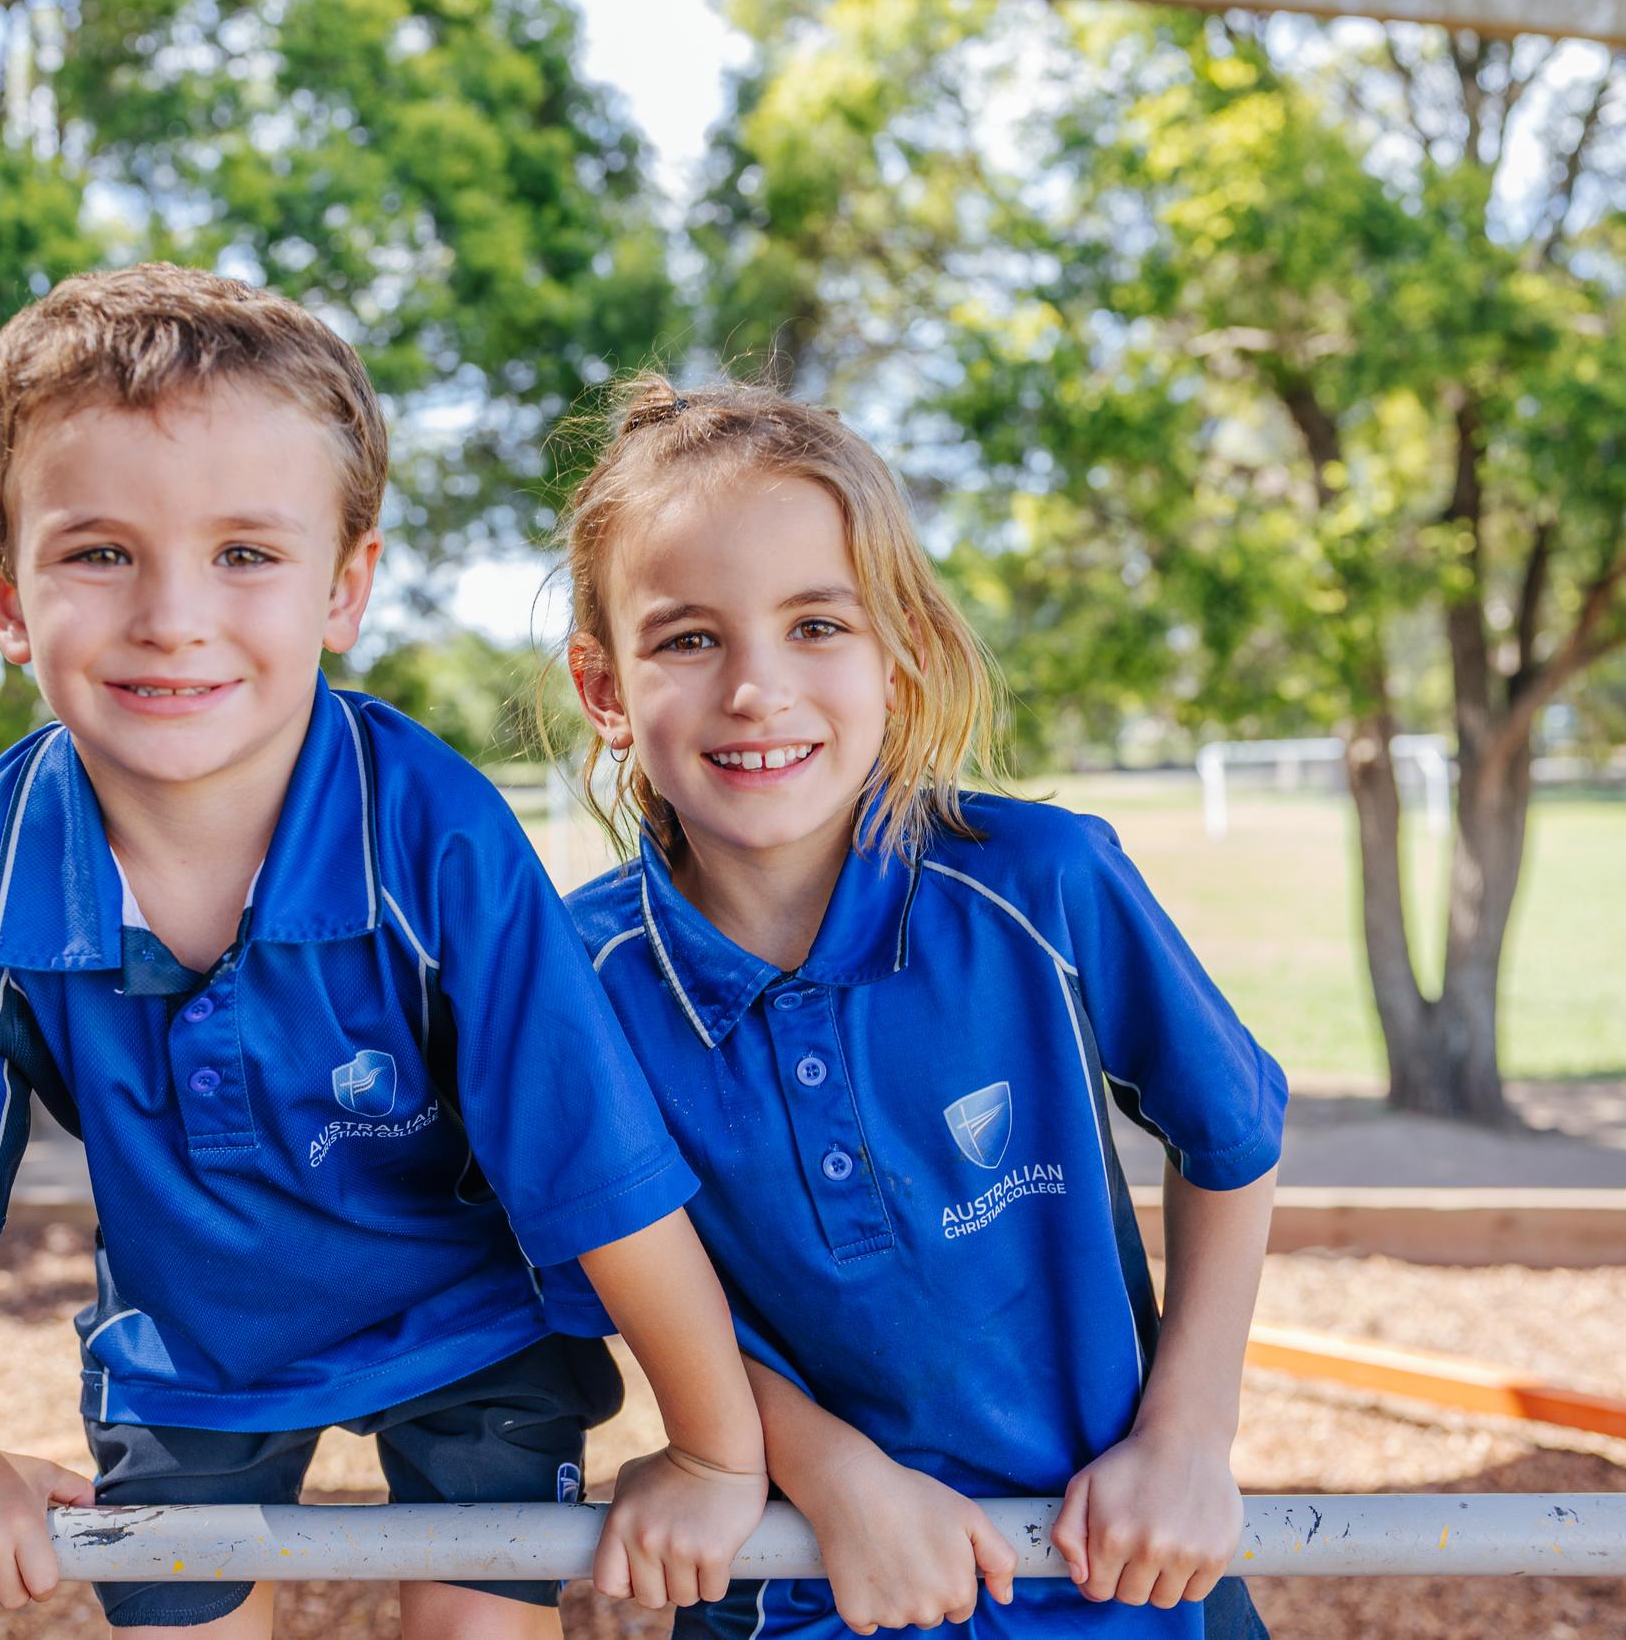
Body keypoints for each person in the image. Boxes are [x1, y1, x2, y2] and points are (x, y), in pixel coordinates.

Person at [0, 270, 768, 1638]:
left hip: (472, 1317)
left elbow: (598, 1168)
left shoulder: (430, 831)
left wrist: (714, 1446)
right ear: (4, 591)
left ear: (345, 585)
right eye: (100, 552)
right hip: (192, 1340)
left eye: (245, 552)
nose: (173, 613)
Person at [550, 375, 1285, 1638]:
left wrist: (1186, 1434)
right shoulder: (574, 983)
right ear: (605, 689)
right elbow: (619, 1284)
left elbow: (1233, 1133)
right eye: (686, 637)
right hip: (791, 1592)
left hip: (1116, 1588)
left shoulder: (1041, 881)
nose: (755, 689)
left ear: (900, 650)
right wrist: (833, 1477)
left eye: (816, 625)